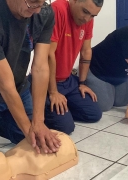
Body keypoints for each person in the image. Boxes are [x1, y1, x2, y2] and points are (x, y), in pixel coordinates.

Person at [0, 0, 61, 154]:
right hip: (2, 88)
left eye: (42, 2)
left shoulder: (44, 12)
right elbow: (5, 85)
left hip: (19, 89)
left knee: (43, 141)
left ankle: (3, 123)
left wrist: (38, 121)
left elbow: (40, 68)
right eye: (33, 3)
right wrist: (28, 130)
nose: (38, 10)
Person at [45, 0, 104, 134]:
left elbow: (86, 51)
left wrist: (82, 83)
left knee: (94, 114)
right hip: (49, 81)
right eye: (85, 12)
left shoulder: (88, 20)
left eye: (93, 16)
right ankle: (45, 107)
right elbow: (48, 53)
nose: (87, 19)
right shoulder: (58, 9)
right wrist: (53, 92)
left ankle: (63, 111)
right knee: (66, 127)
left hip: (68, 80)